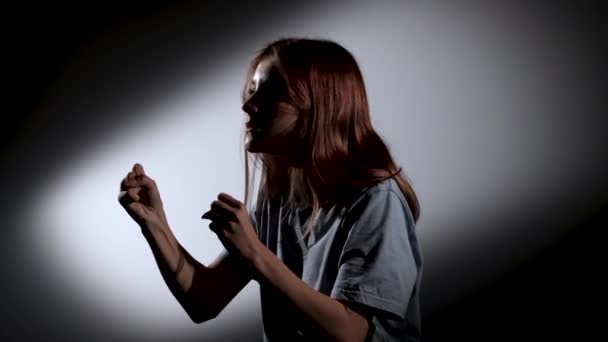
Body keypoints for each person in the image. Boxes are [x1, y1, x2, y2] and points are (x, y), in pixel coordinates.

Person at [118, 38, 422, 341]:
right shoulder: (279, 201)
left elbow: (350, 333)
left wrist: (255, 254)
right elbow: (204, 299)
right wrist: (154, 224)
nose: (247, 105)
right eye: (252, 90)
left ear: (319, 107)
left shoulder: (376, 200)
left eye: (270, 92)